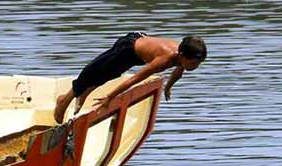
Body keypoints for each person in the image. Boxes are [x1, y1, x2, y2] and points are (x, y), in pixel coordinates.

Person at [53, 33, 207, 123]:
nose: (195, 67)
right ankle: (63, 100)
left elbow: (179, 71)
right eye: (193, 63)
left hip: (137, 54)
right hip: (127, 48)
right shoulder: (164, 60)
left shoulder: (181, 59)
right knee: (92, 72)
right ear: (182, 55)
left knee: (109, 74)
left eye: (198, 64)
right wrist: (109, 97)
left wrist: (168, 87)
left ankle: (84, 94)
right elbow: (134, 79)